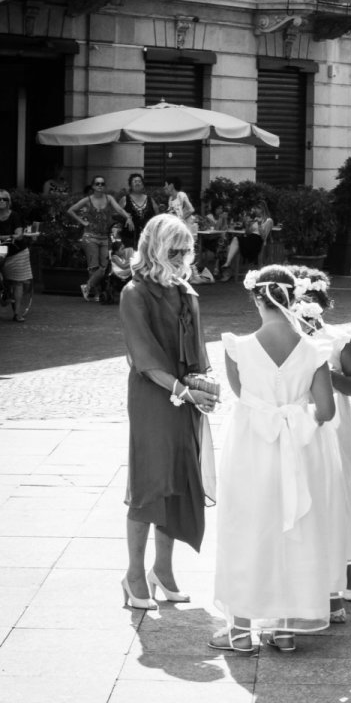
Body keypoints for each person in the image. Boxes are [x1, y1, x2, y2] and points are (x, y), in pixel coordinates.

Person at [210, 264, 336, 654]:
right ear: (292, 298)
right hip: (299, 448)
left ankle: (241, 631)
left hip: (250, 448)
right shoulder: (314, 350)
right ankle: (283, 629)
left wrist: (273, 414)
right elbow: (327, 409)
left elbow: (243, 397)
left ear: (256, 298)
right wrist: (299, 418)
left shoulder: (237, 347)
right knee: (292, 531)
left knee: (247, 528)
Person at [119, 214, 218, 610]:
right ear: (153, 249)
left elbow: (198, 353)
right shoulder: (134, 293)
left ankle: (163, 569)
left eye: (185, 250)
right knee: (150, 482)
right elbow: (144, 359)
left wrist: (204, 386)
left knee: (178, 479)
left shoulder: (186, 292)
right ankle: (132, 574)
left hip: (184, 397)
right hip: (152, 398)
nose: (180, 257)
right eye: (172, 250)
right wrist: (184, 391)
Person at [292, 267, 351, 608]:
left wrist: (326, 377)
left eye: (309, 303)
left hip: (334, 430)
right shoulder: (286, 340)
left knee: (342, 493)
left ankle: (346, 571)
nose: (304, 310)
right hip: (299, 430)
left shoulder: (338, 341)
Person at [67, 175, 133, 302]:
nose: (100, 186)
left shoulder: (109, 199)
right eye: (97, 184)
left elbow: (119, 209)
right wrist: (82, 222)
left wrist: (128, 217)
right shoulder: (87, 200)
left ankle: (87, 287)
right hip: (90, 237)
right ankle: (96, 293)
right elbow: (71, 210)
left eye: (102, 184)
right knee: (94, 267)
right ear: (93, 186)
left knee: (104, 267)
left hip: (104, 237)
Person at [0, 190, 35, 322]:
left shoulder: (14, 216)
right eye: (0, 199)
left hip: (16, 251)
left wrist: (10, 237)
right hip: (0, 250)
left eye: (5, 199)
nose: (2, 201)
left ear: (9, 202)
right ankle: (5, 291)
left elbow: (19, 234)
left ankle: (17, 313)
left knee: (18, 282)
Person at [219, 202, 273, 282]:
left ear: (262, 209)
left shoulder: (269, 220)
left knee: (232, 245)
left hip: (257, 241)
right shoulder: (255, 219)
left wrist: (259, 224)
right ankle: (228, 263)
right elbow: (247, 233)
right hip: (249, 238)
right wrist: (247, 225)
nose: (255, 210)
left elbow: (264, 236)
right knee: (233, 241)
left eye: (257, 209)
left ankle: (228, 270)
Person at [119, 173, 158, 245]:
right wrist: (127, 217)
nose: (137, 183)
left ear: (143, 185)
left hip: (147, 240)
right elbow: (117, 215)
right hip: (129, 239)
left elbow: (157, 217)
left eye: (139, 181)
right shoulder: (125, 199)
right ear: (130, 185)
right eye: (135, 181)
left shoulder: (150, 200)